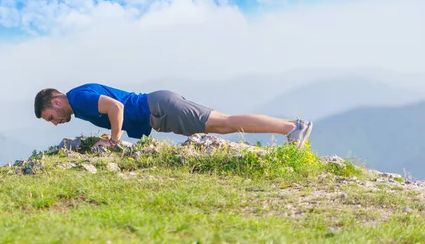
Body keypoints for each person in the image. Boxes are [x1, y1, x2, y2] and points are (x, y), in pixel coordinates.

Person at [34, 83, 313, 150]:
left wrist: (114, 141)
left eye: (50, 116)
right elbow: (114, 109)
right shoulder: (79, 103)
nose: (54, 122)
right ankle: (289, 128)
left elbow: (116, 108)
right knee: (226, 126)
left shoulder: (78, 98)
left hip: (159, 107)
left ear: (56, 101)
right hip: (159, 109)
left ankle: (292, 126)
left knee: (226, 122)